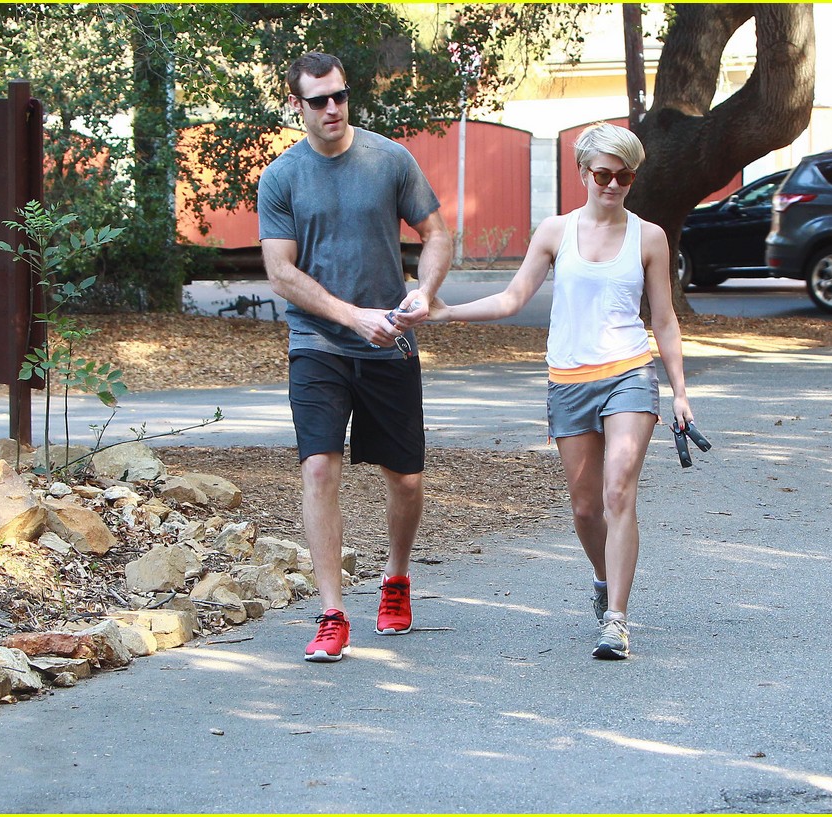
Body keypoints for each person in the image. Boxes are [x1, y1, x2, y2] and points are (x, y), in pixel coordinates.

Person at [427, 123, 696, 660]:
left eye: (624, 176)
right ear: (582, 174)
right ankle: (603, 581)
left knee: (619, 491)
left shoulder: (649, 237)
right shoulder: (554, 232)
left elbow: (663, 320)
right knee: (584, 508)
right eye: (603, 174)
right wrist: (445, 312)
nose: (613, 184)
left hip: (629, 372)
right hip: (569, 380)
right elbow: (511, 298)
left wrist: (681, 393)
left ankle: (616, 620)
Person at [257, 52, 452, 662]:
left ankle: (395, 579)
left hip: (391, 338)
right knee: (319, 467)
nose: (332, 108)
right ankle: (331, 611)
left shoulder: (389, 159)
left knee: (407, 477)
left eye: (339, 96)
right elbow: (281, 272)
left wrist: (424, 290)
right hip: (318, 343)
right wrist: (350, 316)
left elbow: (437, 232)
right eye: (318, 100)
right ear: (297, 106)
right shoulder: (282, 177)